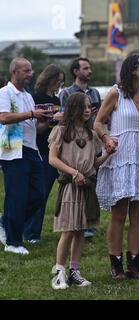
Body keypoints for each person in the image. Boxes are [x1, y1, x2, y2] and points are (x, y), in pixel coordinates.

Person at [94, 54, 139, 280]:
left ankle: (134, 262)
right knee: (119, 212)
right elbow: (98, 122)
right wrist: (106, 139)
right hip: (120, 156)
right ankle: (115, 263)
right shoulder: (116, 93)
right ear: (132, 69)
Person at [48, 92, 109, 289]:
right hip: (70, 187)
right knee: (68, 229)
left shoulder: (91, 135)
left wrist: (108, 154)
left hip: (86, 188)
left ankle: (75, 270)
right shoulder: (61, 131)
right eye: (84, 106)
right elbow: (53, 159)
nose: (88, 110)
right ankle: (59, 271)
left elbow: (94, 164)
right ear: (74, 108)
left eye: (90, 106)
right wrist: (74, 173)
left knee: (81, 229)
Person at [0, 58, 52, 254]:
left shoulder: (28, 96)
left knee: (39, 195)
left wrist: (48, 120)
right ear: (15, 72)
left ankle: (5, 222)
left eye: (31, 70)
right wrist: (31, 114)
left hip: (31, 150)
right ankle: (13, 243)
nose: (31, 74)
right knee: (17, 197)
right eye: (26, 70)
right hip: (12, 150)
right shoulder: (4, 93)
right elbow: (3, 117)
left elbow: (35, 128)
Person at [23, 64, 65, 244]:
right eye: (58, 80)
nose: (59, 85)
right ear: (50, 79)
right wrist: (49, 119)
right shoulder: (35, 98)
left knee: (47, 193)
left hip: (55, 148)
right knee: (40, 192)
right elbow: (36, 129)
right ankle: (31, 233)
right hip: (40, 148)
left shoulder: (56, 100)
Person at [60, 57, 101, 238]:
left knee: (92, 180)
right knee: (76, 182)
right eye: (85, 68)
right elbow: (62, 116)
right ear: (76, 71)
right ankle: (73, 222)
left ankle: (88, 221)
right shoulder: (67, 92)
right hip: (74, 142)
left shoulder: (95, 93)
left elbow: (100, 117)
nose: (89, 71)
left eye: (90, 67)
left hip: (92, 138)